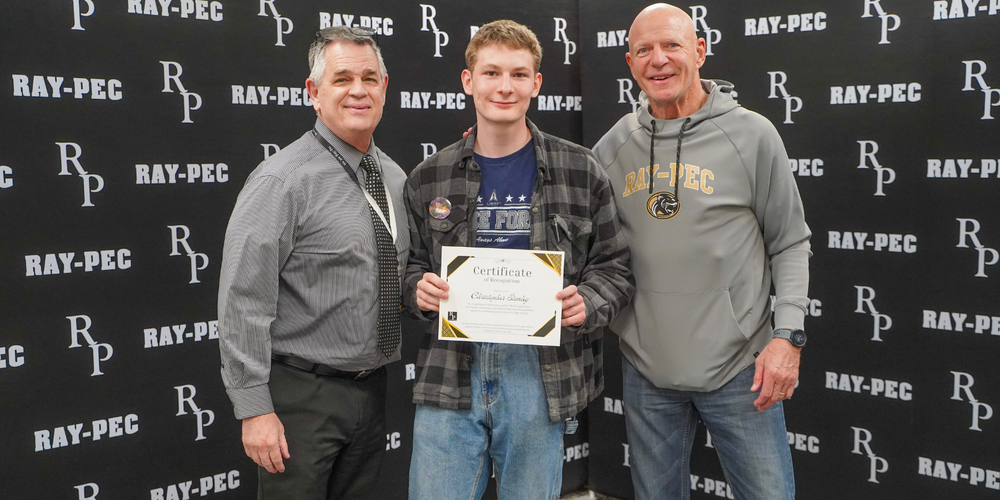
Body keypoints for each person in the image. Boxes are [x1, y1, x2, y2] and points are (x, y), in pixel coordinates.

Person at [404, 20, 634, 500]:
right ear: (468, 81)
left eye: (518, 74)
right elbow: (409, 268)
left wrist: (588, 302)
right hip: (451, 369)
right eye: (491, 73)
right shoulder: (429, 176)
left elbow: (614, 266)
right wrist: (417, 290)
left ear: (536, 83)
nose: (504, 87)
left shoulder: (581, 169)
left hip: (539, 371)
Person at [592, 4, 811, 499]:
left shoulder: (752, 134)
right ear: (630, 63)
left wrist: (788, 337)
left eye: (671, 45)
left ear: (699, 51)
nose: (658, 60)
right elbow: (564, 202)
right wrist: (494, 148)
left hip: (741, 367)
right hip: (647, 369)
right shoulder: (614, 146)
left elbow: (790, 242)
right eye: (644, 50)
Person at [217, 26, 408, 500]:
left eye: (369, 78)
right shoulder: (282, 180)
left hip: (372, 390)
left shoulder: (395, 178)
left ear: (384, 88)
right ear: (314, 92)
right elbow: (244, 300)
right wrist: (254, 409)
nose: (358, 90)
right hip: (300, 398)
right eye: (342, 79)